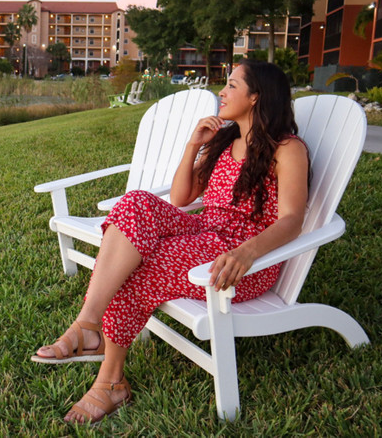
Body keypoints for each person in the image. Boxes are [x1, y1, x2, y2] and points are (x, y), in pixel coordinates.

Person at [31, 60, 310, 424]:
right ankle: (88, 323)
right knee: (134, 202)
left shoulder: (287, 148)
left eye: (231, 86)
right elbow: (179, 198)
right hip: (204, 232)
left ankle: (110, 381)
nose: (221, 93)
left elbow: (292, 220)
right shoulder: (227, 142)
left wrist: (248, 251)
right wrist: (194, 145)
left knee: (144, 260)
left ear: (256, 97)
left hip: (241, 259)